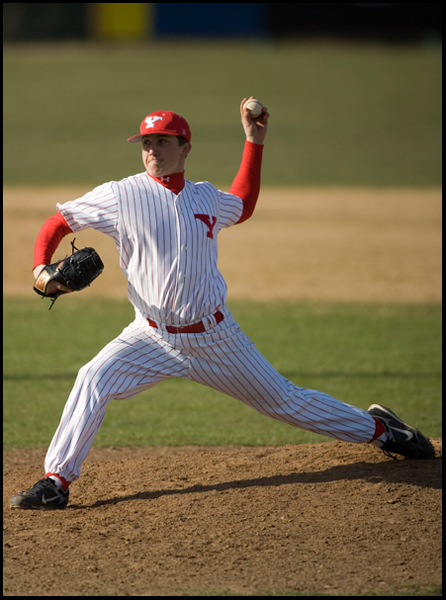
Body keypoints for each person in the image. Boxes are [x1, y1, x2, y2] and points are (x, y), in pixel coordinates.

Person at [10, 98, 435, 511]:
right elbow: (58, 222)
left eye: (163, 141)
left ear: (185, 147)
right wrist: (40, 269)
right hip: (151, 336)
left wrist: (254, 141)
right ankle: (56, 482)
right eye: (146, 142)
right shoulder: (121, 195)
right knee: (93, 378)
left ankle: (383, 431)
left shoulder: (205, 198)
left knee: (287, 401)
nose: (153, 150)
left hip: (216, 338)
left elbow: (243, 204)